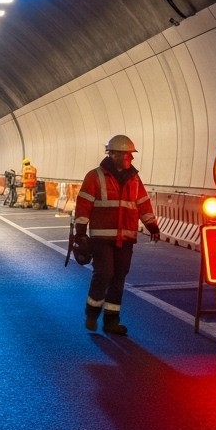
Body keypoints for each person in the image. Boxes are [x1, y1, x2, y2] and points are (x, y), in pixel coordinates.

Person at [73, 135, 160, 335]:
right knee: (104, 274)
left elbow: (143, 203)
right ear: (113, 154)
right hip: (102, 238)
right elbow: (84, 204)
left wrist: (152, 225)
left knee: (119, 277)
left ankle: (111, 321)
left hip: (126, 237)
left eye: (131, 154)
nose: (130, 157)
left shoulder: (134, 178)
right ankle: (92, 313)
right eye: (126, 154)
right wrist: (80, 231)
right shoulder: (95, 176)